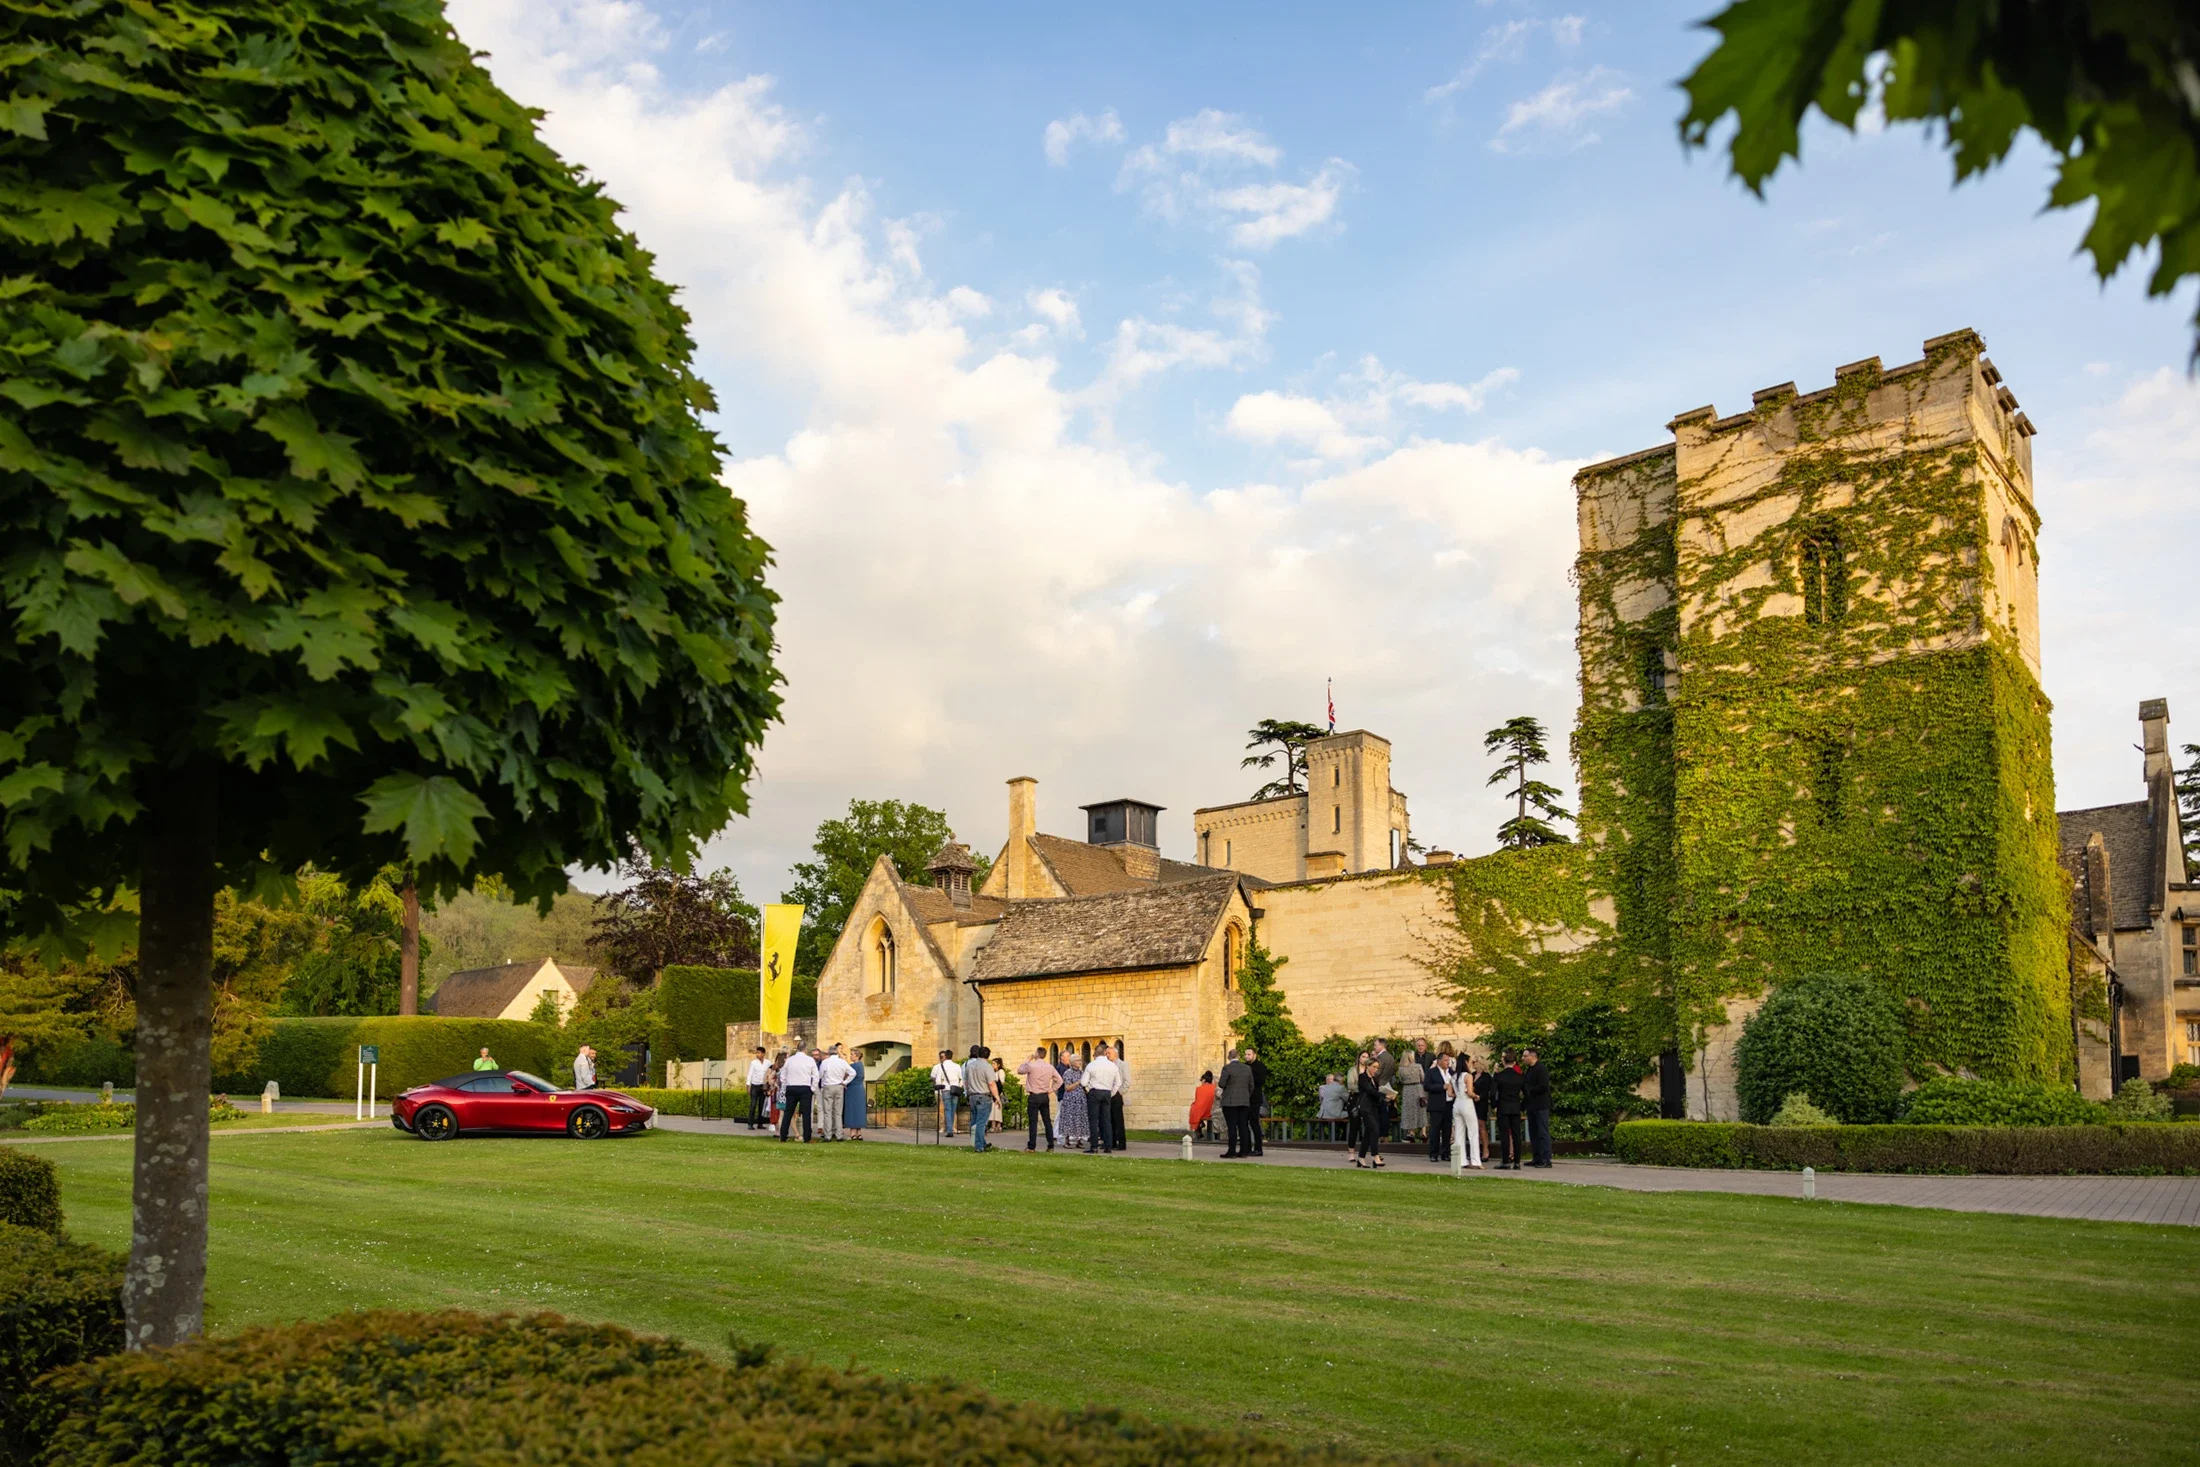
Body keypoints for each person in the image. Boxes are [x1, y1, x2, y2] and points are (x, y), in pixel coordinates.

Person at [1017, 1047, 1060, 1151]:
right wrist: (1051, 1089)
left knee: (1033, 1121)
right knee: (1047, 1121)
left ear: (1036, 1054)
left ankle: (1032, 1146)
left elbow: (1020, 1071)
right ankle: (1050, 1145)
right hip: (1044, 1095)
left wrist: (1027, 1060)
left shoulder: (1031, 1065)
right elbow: (1059, 1080)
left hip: (1034, 1095)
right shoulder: (1050, 1067)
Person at [1490, 1049, 1527, 1169]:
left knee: (1505, 1135)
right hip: (1515, 1107)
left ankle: (1505, 1161)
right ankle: (1517, 1162)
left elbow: (1493, 1093)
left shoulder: (1499, 1076)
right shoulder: (1520, 1077)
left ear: (1504, 1062)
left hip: (1503, 1107)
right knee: (1516, 1135)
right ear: (1515, 1062)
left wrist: (1494, 1105)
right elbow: (1527, 1094)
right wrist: (1522, 1106)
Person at [1082, 1045, 1122, 1153]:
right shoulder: (1112, 1066)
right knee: (1106, 1120)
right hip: (1106, 1092)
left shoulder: (1091, 1065)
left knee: (1093, 1120)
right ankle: (1108, 1146)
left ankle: (1094, 1146)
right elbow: (1118, 1082)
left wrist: (1089, 1089)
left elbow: (1083, 1082)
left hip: (1094, 1092)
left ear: (1095, 1053)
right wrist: (1111, 1093)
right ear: (1105, 1053)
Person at [1216, 1049, 1255, 1158]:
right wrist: (1246, 1095)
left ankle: (1232, 1151)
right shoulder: (1247, 1069)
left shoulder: (1227, 1068)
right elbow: (1251, 1085)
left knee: (1232, 1126)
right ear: (1239, 1056)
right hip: (1244, 1101)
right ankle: (1243, 1151)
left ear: (1229, 1057)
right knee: (1243, 1126)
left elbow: (1222, 1084)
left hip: (1230, 1102)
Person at [1350, 1056, 1387, 1169]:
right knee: (1375, 1130)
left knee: (1368, 1133)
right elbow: (1369, 1091)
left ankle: (1361, 1158)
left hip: (1374, 1108)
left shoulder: (1374, 1080)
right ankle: (1375, 1156)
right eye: (1374, 1067)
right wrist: (1383, 1095)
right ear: (1368, 1066)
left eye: (1377, 1067)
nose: (1376, 1069)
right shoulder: (1363, 1077)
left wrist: (1386, 1096)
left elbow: (1375, 1093)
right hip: (1365, 1108)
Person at [778, 1044, 819, 1143]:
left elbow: (782, 1076)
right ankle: (807, 1137)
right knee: (806, 1113)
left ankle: (783, 1136)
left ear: (797, 1049)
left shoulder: (790, 1060)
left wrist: (786, 1084)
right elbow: (816, 1076)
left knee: (788, 1112)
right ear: (805, 1049)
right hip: (805, 1087)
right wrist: (812, 1088)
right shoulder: (809, 1060)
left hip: (791, 1087)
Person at [963, 1045, 999, 1151]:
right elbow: (991, 1083)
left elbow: (965, 1081)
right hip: (984, 1096)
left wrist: (968, 1092)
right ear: (988, 1056)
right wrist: (997, 1097)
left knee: (975, 1120)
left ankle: (980, 1141)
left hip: (972, 1095)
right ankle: (979, 1145)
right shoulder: (987, 1067)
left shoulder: (970, 1066)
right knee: (981, 1122)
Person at [1522, 1046, 1554, 1168]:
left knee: (1542, 1131)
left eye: (1525, 1056)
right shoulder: (1529, 1070)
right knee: (1533, 1132)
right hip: (1532, 1105)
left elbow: (1544, 1086)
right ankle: (1537, 1157)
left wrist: (1529, 1090)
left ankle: (1546, 1159)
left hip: (1541, 1105)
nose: (1523, 1058)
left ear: (1532, 1056)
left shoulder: (1541, 1069)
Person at [817, 1043, 855, 1142]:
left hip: (828, 1086)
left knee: (827, 1112)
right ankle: (839, 1135)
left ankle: (828, 1135)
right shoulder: (842, 1062)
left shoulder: (825, 1062)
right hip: (839, 1086)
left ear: (829, 1053)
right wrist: (845, 1082)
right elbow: (853, 1072)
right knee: (838, 1112)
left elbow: (820, 1075)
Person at [1454, 1055, 1485, 1169]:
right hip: (1466, 1103)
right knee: (1473, 1132)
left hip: (1456, 1103)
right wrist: (1476, 1096)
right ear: (1466, 1062)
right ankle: (1476, 1161)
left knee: (1459, 1133)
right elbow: (1469, 1092)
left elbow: (1451, 1093)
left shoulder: (1454, 1076)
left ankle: (1461, 1160)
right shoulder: (1468, 1076)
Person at [1056, 1050, 1090, 1149]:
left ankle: (1079, 1140)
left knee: (1080, 1119)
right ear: (1072, 1062)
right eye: (1077, 1060)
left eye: (1080, 1060)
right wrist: (1078, 1082)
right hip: (1070, 1099)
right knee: (1069, 1119)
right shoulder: (1068, 1073)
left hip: (1081, 1099)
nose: (1080, 1062)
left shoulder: (1082, 1072)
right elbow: (1067, 1087)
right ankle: (1067, 1140)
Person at [1424, 1051, 1453, 1162]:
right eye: (1446, 1060)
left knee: (1447, 1129)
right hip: (1436, 1105)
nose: (1447, 1063)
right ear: (1439, 1061)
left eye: (1448, 1060)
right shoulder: (1432, 1072)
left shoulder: (1451, 1072)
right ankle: (1433, 1153)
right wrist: (1442, 1087)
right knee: (1435, 1130)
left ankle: (1445, 1153)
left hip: (1449, 1104)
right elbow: (1426, 1086)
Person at [929, 1049, 964, 1138]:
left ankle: (949, 1130)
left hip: (945, 1090)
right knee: (953, 1110)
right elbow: (961, 1078)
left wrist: (940, 1089)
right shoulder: (957, 1066)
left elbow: (938, 1080)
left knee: (947, 1110)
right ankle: (951, 1127)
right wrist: (959, 1086)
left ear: (945, 1056)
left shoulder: (941, 1066)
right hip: (955, 1089)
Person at [1243, 1045, 1269, 1155]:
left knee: (1254, 1123)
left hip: (1255, 1099)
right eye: (1245, 1054)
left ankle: (1258, 1148)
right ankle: (1247, 1147)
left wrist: (1250, 1076)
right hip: (1244, 1098)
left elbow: (1261, 1081)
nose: (1247, 1056)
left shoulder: (1260, 1066)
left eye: (1249, 1054)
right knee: (1244, 1123)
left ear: (1254, 1055)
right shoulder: (1244, 1066)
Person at [1397, 1047, 1426, 1142]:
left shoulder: (1401, 1068)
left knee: (1409, 1111)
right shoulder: (1418, 1066)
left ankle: (1411, 1132)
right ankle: (1423, 1132)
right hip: (1418, 1088)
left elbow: (1401, 1080)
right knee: (1421, 1110)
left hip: (1407, 1089)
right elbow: (1423, 1078)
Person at [1106, 1044, 1129, 1150]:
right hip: (1108, 1094)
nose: (1107, 1055)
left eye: (1108, 1053)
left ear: (1115, 1053)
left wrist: (1119, 1092)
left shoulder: (1123, 1065)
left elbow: (1127, 1081)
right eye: (1106, 1053)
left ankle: (1122, 1143)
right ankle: (1112, 1142)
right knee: (1110, 1120)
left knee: (1118, 1120)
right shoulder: (1106, 1065)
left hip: (1117, 1095)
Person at [1316, 1072, 1348, 1142]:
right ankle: (1345, 1138)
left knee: (1346, 1116)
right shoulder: (1341, 1087)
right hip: (1333, 1113)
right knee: (1352, 1115)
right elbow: (1348, 1099)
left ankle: (1342, 1137)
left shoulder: (1326, 1086)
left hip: (1323, 1112)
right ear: (1341, 1080)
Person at [1188, 1069, 1219, 1142]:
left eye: (1201, 1080)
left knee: (1194, 1110)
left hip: (1203, 1111)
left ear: (1204, 1080)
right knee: (1196, 1110)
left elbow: (1198, 1101)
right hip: (1212, 1110)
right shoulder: (1215, 1088)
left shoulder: (1199, 1089)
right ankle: (1200, 1126)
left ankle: (1198, 1129)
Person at [844, 1047, 868, 1140]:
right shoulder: (861, 1065)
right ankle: (859, 1133)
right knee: (859, 1110)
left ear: (857, 1056)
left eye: (852, 1054)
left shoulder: (853, 1066)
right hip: (860, 1089)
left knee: (852, 1109)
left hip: (852, 1089)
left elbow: (846, 1074)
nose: (851, 1056)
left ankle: (853, 1132)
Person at [745, 1046, 770, 1131]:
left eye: (759, 1053)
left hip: (763, 1086)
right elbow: (750, 1074)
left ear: (763, 1054)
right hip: (755, 1086)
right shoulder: (753, 1063)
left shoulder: (768, 1063)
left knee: (762, 1106)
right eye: (756, 1053)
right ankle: (750, 1124)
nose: (757, 1054)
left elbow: (770, 1074)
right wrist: (748, 1086)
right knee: (753, 1105)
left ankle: (760, 1124)